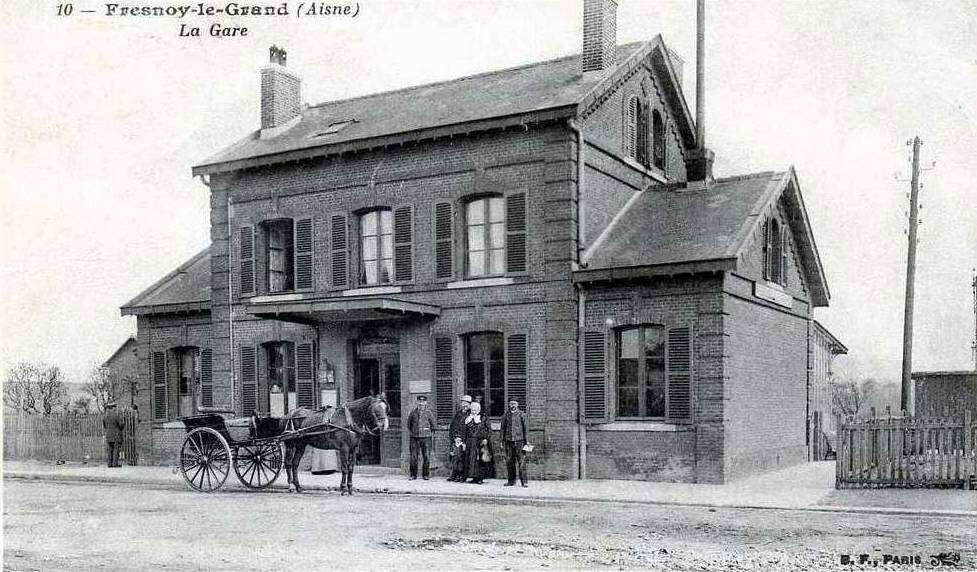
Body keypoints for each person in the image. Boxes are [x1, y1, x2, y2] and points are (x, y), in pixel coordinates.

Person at [406, 395, 437, 480]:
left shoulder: (429, 413)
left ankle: (425, 475)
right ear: (417, 402)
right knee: (413, 456)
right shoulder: (413, 413)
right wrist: (414, 432)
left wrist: (428, 431)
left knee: (426, 456)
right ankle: (413, 475)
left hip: (426, 438)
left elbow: (434, 425)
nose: (421, 403)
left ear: (425, 403)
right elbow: (409, 425)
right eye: (420, 402)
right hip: (414, 437)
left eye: (423, 402)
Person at [500, 399, 529, 487]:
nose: (513, 405)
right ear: (509, 404)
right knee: (509, 461)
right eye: (511, 403)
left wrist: (527, 441)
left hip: (520, 441)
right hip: (508, 441)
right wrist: (502, 441)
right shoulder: (506, 415)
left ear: (518, 404)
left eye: (514, 403)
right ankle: (511, 481)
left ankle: (524, 481)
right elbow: (502, 429)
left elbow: (525, 428)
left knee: (521, 461)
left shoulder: (522, 414)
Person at [464, 401, 493, 484]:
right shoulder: (468, 418)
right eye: (472, 410)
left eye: (475, 410)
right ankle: (474, 477)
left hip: (480, 441)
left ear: (478, 410)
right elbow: (465, 430)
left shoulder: (483, 417)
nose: (473, 411)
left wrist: (486, 438)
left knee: (480, 460)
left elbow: (489, 430)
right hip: (470, 441)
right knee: (471, 460)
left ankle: (480, 478)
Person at [447, 395, 472, 482]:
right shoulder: (458, 414)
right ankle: (454, 475)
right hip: (456, 439)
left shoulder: (471, 415)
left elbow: (470, 429)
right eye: (463, 403)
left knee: (462, 459)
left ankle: (462, 476)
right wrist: (454, 437)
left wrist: (464, 440)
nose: (464, 405)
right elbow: (453, 427)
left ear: (469, 405)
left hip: (464, 440)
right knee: (455, 458)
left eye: (467, 403)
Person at [103, 401, 125, 468]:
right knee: (116, 449)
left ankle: (109, 464)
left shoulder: (105, 415)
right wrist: (123, 423)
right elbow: (121, 425)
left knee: (110, 450)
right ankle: (115, 464)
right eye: (115, 407)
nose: (115, 408)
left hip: (108, 435)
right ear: (113, 407)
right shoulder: (116, 415)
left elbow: (104, 426)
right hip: (116, 435)